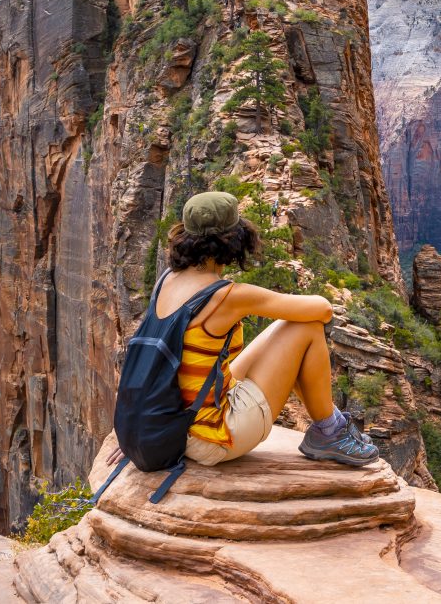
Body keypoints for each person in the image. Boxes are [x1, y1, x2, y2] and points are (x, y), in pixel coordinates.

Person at [154, 190, 378, 467]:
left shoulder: (166, 281)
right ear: (235, 240)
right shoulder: (226, 296)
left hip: (175, 423)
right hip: (210, 438)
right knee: (306, 328)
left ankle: (329, 424)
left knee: (286, 326)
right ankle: (330, 432)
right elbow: (323, 309)